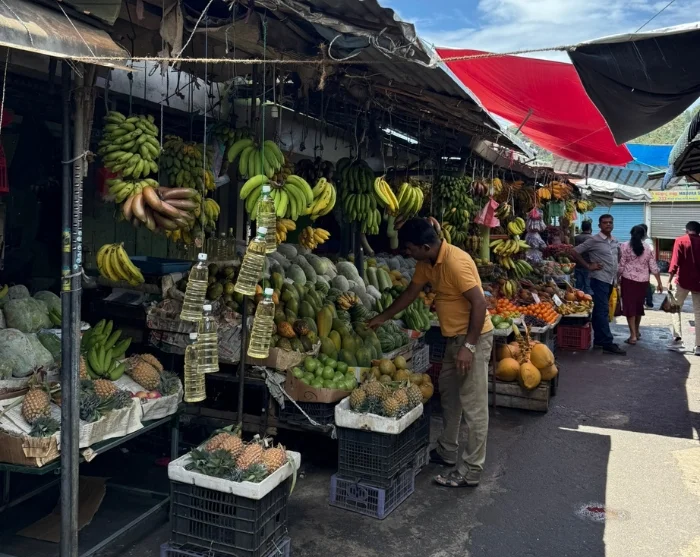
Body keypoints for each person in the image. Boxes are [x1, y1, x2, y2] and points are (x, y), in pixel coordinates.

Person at [367, 218, 493, 488]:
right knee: (449, 395)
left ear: (425, 246)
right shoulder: (426, 263)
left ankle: (471, 470)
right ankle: (447, 450)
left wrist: (469, 347)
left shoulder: (455, 262)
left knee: (474, 406)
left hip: (473, 339)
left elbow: (480, 303)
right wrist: (382, 317)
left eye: (410, 248)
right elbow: (410, 293)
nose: (407, 253)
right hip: (453, 339)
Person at [567, 214, 626, 355]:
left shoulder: (614, 240)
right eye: (605, 222)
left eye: (610, 222)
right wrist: (588, 265)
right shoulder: (594, 240)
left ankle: (599, 340)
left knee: (600, 311)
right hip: (599, 280)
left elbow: (617, 256)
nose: (608, 224)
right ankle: (607, 343)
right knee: (602, 311)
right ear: (599, 225)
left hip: (610, 280)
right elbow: (573, 252)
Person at [617, 225, 663, 345]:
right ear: (644, 235)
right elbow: (653, 267)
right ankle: (637, 332)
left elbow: (621, 265)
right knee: (638, 307)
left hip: (628, 280)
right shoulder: (648, 248)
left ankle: (632, 336)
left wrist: (616, 279)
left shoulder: (624, 246)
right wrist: (659, 283)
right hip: (643, 282)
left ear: (631, 234)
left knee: (629, 307)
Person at [667, 221, 700, 355]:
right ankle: (698, 346)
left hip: (682, 281)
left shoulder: (680, 240)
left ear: (687, 230)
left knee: (675, 308)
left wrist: (669, 280)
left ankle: (677, 340)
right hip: (698, 283)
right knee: (698, 313)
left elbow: (675, 262)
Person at [574, 220, 593, 295]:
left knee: (578, 286)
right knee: (588, 286)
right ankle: (588, 300)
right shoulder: (592, 238)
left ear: (582, 228)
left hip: (578, 264)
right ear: (590, 228)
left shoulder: (576, 237)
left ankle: (578, 299)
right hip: (588, 265)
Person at [640, 224, 655, 308]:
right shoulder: (642, 239)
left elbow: (651, 251)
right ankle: (645, 301)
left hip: (645, 266)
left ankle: (649, 302)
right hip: (641, 266)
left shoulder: (647, 241)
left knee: (645, 284)